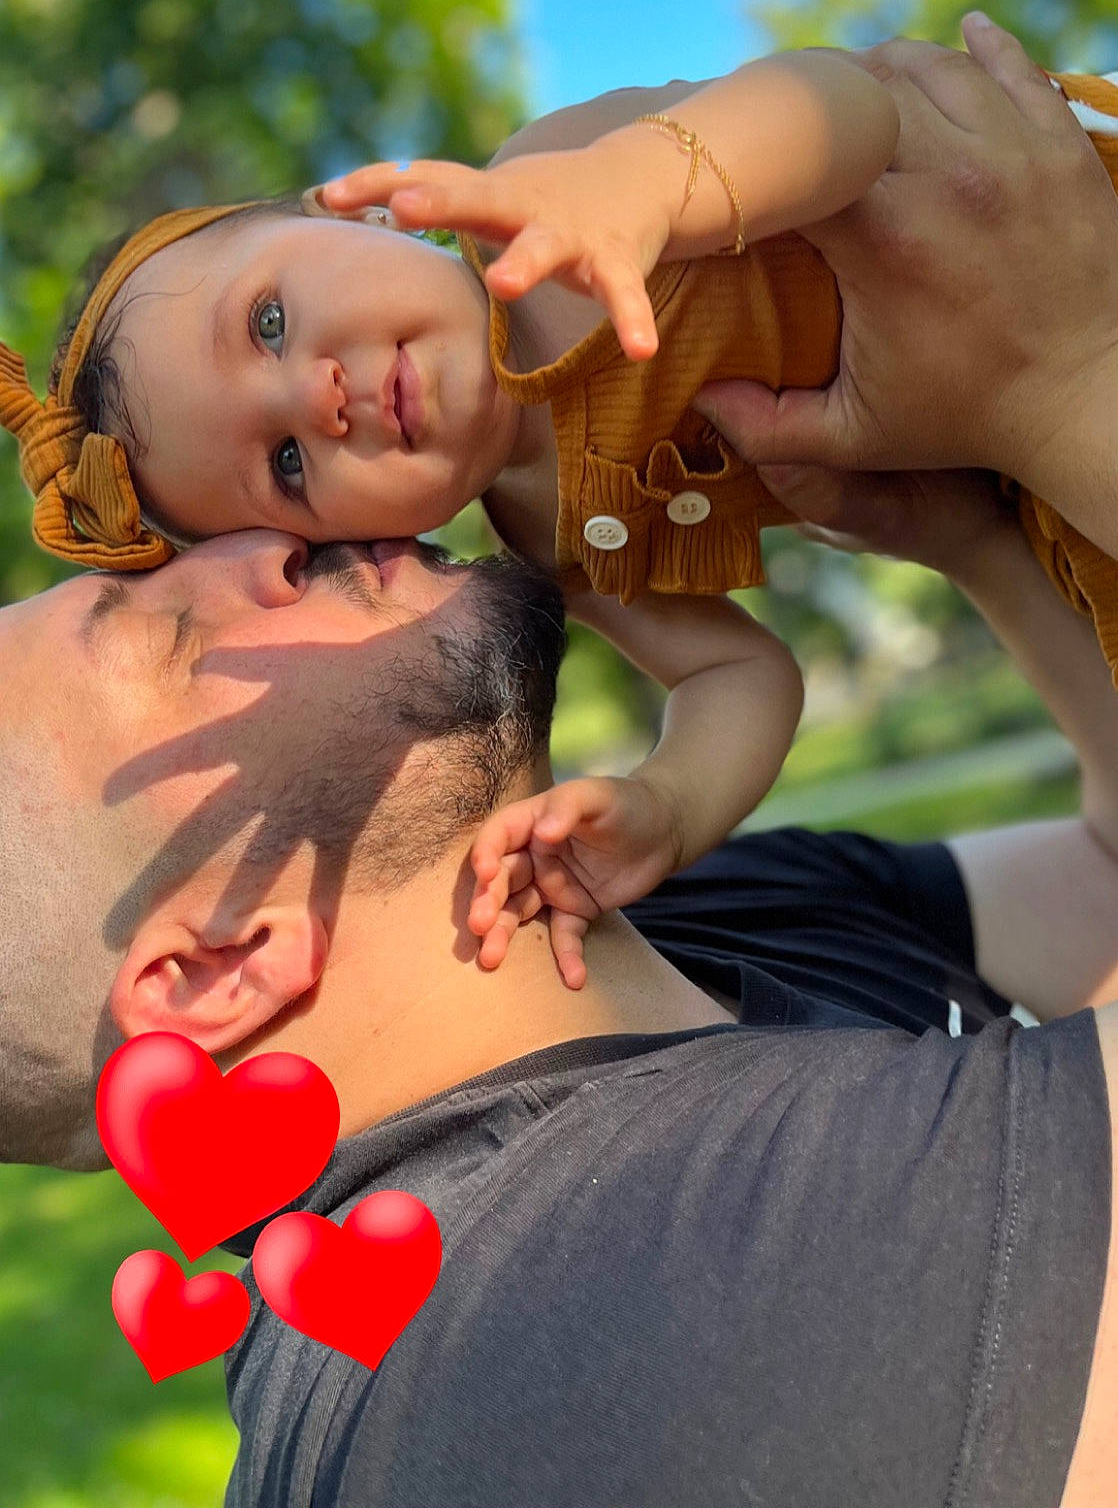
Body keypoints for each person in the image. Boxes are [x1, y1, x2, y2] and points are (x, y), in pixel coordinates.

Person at [4, 193, 1118, 1507]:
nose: (251, 545)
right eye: (161, 637)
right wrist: (1063, 385)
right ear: (218, 964)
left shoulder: (698, 920)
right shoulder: (576, 1341)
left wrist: (975, 542)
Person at [3, 34, 1118, 987]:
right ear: (364, 541)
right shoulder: (551, 535)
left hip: (1067, 231)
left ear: (343, 209)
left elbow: (849, 104)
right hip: (1047, 486)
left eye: (270, 322)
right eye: (287, 462)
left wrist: (644, 177)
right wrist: (668, 806)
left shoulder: (555, 187)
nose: (317, 394)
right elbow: (740, 674)